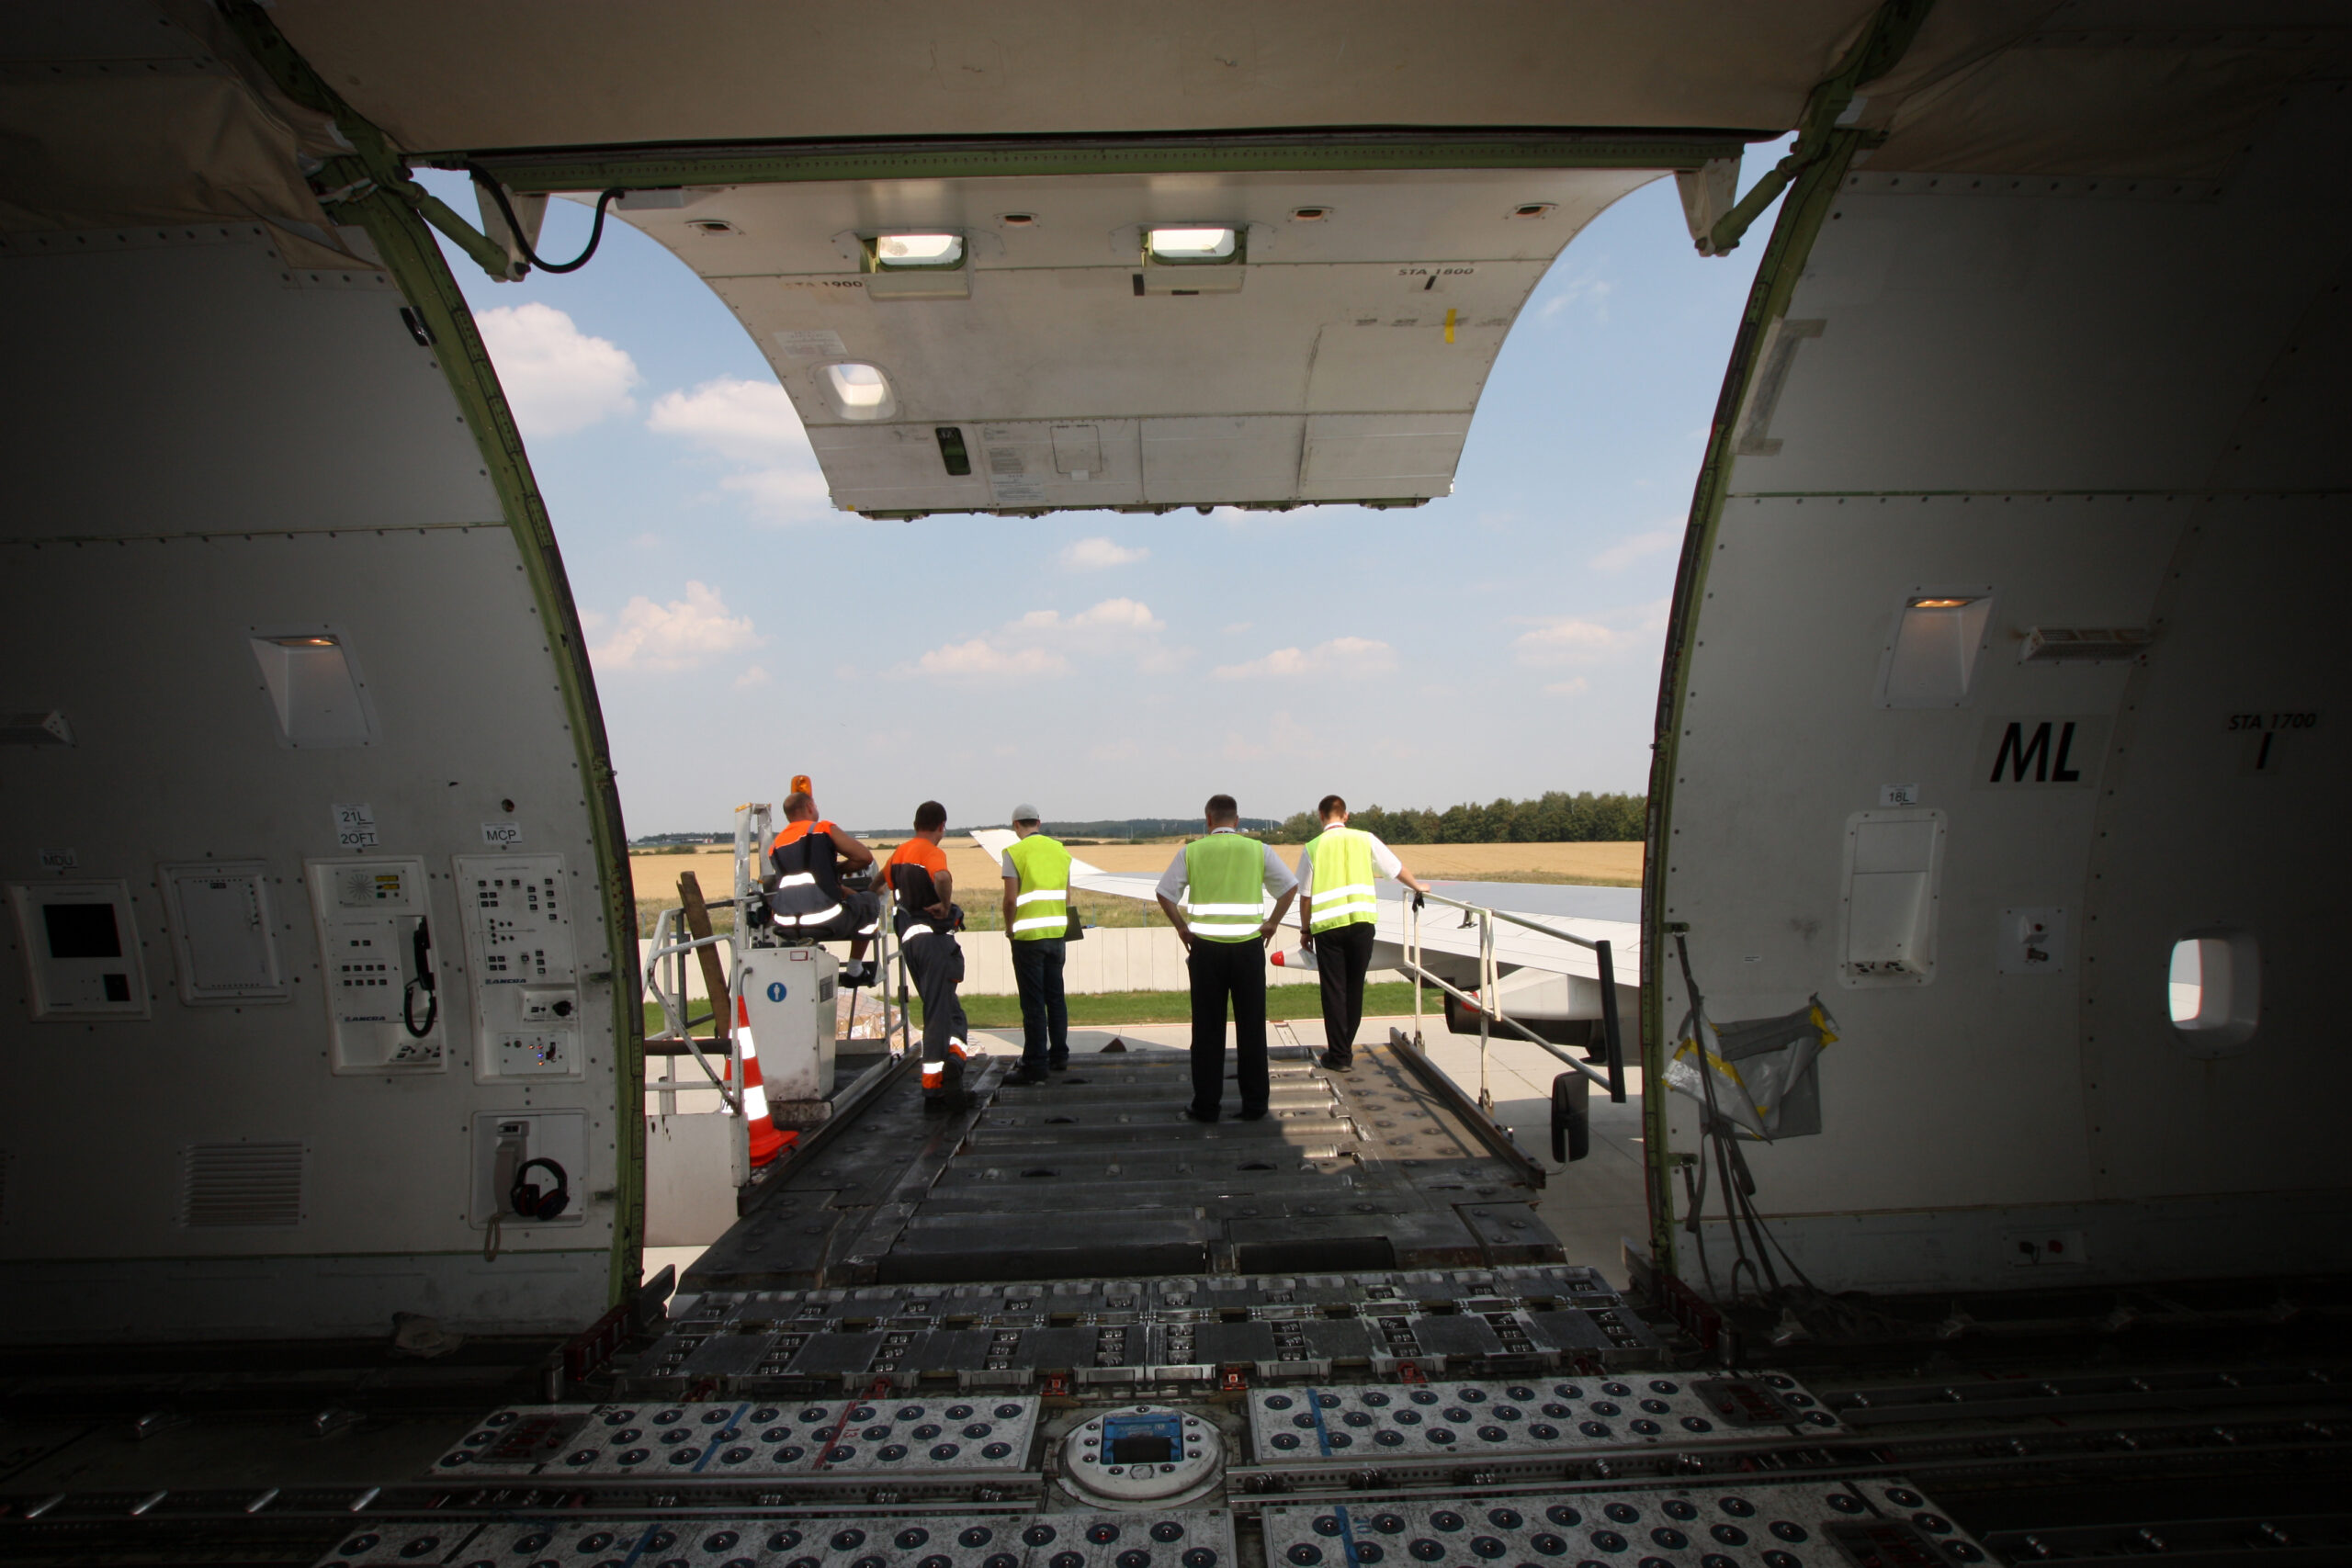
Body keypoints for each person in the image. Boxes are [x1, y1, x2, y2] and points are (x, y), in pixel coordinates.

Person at [1155, 795, 1297, 1122]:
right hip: (1248, 949)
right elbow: (1289, 887)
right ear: (1236, 820)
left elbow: (1164, 894)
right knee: (1251, 1028)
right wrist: (1272, 923)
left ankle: (1206, 1106)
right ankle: (1255, 1105)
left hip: (1205, 950)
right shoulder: (1258, 850)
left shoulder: (1191, 851)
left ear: (1208, 820)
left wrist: (1182, 928)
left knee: (1206, 1030)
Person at [1295, 794, 1430, 1071]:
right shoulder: (1364, 839)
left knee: (1334, 991)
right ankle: (1344, 1047)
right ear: (1345, 816)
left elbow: (1305, 897)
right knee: (1355, 988)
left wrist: (1305, 930)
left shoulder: (1313, 847)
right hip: (1361, 926)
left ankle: (1340, 1055)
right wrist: (1417, 886)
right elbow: (1395, 868)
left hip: (1328, 930)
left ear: (1320, 816)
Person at [880, 800, 970, 1112]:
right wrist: (946, 907)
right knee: (937, 1016)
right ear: (941, 826)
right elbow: (942, 879)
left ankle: (955, 1064)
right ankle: (934, 1092)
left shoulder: (899, 853)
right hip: (934, 943)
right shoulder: (932, 852)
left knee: (952, 1013)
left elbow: (876, 884)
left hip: (910, 944)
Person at [765, 791, 881, 984]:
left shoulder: (775, 845)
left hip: (786, 925)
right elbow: (864, 857)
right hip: (827, 921)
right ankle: (855, 969)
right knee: (870, 902)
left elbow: (803, 885)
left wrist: (831, 879)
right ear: (810, 807)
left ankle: (808, 948)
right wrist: (838, 870)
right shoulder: (822, 829)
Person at [999, 806, 1070, 1085]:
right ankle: (1060, 1056)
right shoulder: (1060, 850)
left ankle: (1035, 1064)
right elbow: (1066, 895)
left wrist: (1009, 929)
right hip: (1056, 934)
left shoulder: (1013, 853)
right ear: (1039, 823)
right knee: (1056, 997)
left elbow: (1009, 900)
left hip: (1028, 938)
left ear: (1016, 825)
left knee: (1033, 1003)